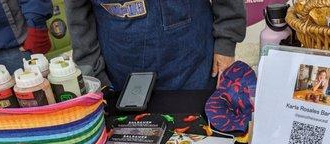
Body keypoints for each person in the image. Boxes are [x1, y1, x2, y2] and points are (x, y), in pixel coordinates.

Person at [65, 0, 246, 90]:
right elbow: (77, 10)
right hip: (120, 64)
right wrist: (90, 67)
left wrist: (226, 42)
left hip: (191, 58)